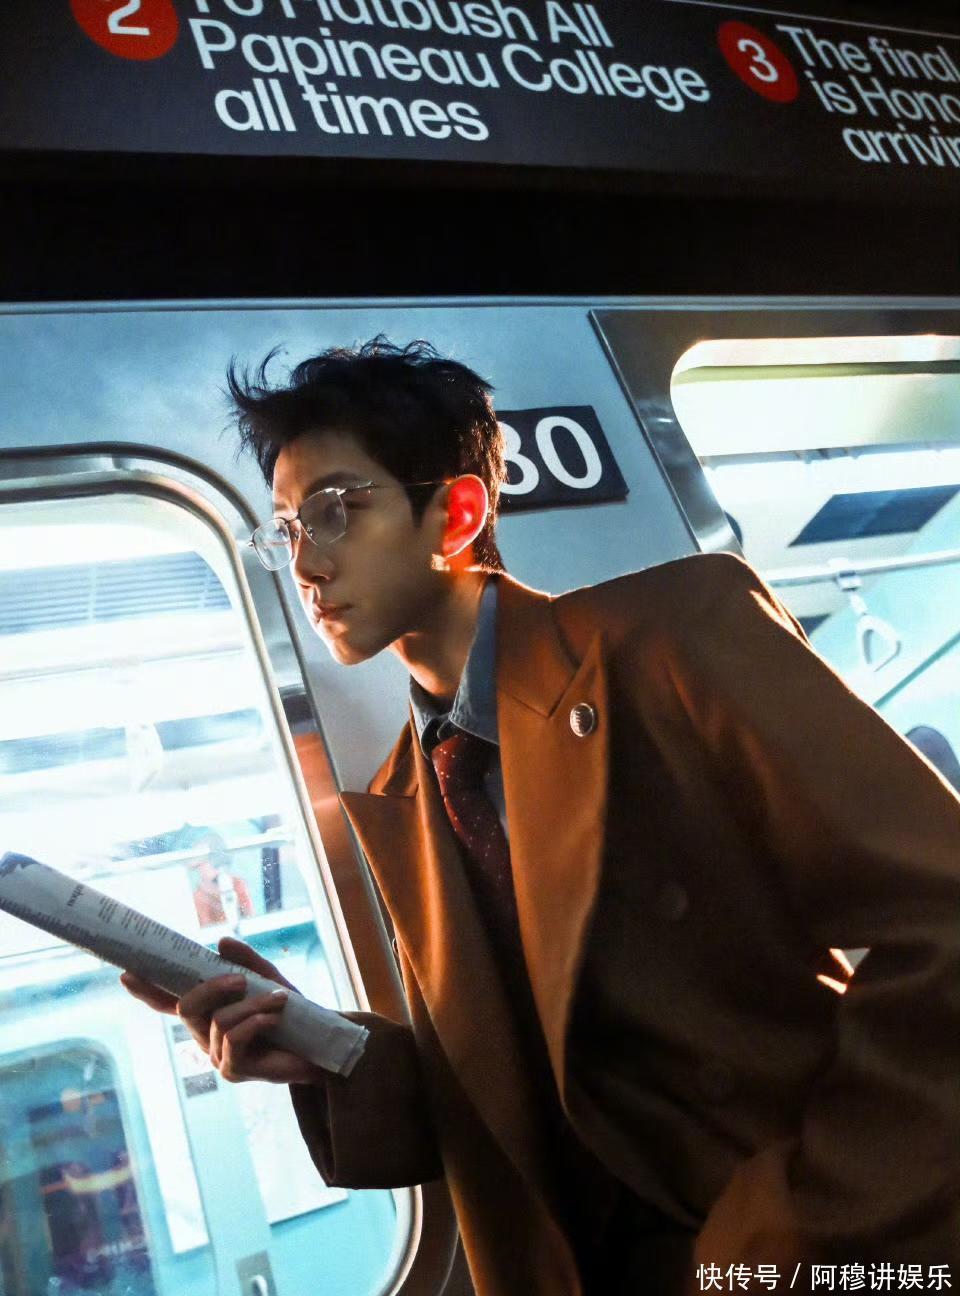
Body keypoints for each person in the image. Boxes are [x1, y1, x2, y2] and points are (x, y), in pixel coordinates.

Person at [120, 338, 960, 1296]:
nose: (304, 564)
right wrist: (315, 1049)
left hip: (803, 1242)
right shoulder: (406, 792)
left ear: (458, 513)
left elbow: (942, 919)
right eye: (285, 530)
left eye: (334, 511)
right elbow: (515, 1089)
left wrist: (793, 1230)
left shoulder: (674, 635)